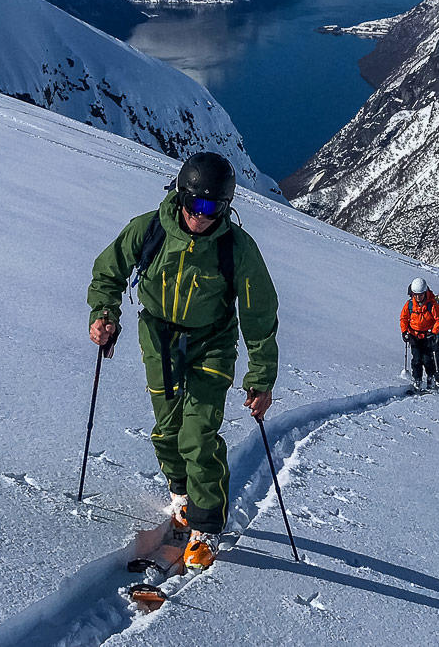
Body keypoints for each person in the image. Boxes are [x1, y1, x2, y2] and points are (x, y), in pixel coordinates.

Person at [86, 152, 279, 573]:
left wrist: (261, 378)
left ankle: (207, 524)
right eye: (194, 204)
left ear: (226, 208)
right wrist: (104, 315)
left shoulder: (236, 248)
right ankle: (181, 493)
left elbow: (259, 315)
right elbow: (108, 273)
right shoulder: (150, 229)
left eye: (212, 208)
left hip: (212, 342)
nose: (200, 216)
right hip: (157, 336)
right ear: (180, 196)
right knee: (167, 429)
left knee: (198, 432)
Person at [399, 278, 439, 390]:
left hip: (427, 336)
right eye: (416, 295)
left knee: (427, 359)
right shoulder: (409, 305)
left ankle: (430, 377)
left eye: (420, 295)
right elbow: (403, 318)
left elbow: (438, 319)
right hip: (414, 335)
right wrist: (404, 331)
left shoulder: (431, 305)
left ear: (425, 293)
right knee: (416, 359)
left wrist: (434, 332)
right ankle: (417, 379)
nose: (418, 297)